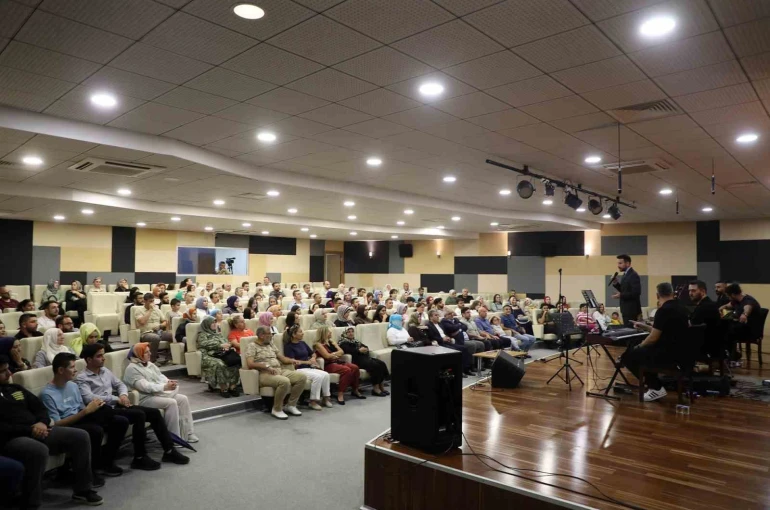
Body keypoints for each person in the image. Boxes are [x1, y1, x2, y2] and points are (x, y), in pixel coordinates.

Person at [0, 354, 103, 507]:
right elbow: (2, 427)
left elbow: (39, 407)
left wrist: (42, 422)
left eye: (8, 369)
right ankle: (31, 503)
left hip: (39, 429)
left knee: (81, 436)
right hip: (13, 437)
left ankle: (83, 490)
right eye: (3, 371)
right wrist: (30, 429)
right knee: (38, 450)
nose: (9, 374)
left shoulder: (14, 388)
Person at [76, 344, 189, 468]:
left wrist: (123, 395)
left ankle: (169, 450)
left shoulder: (105, 371)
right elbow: (88, 397)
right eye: (99, 356)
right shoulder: (82, 377)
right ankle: (140, 457)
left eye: (103, 355)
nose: (103, 358)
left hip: (116, 406)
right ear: (88, 360)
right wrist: (116, 399)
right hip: (102, 410)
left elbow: (120, 384)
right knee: (139, 415)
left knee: (154, 413)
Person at [41, 351, 129, 482]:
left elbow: (81, 407)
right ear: (60, 370)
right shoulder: (47, 394)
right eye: (72, 367)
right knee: (96, 429)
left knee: (120, 421)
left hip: (81, 417)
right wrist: (86, 412)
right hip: (68, 425)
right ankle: (90, 471)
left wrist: (91, 409)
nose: (75, 370)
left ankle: (106, 462)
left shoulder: (72, 385)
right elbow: (57, 424)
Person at [621, 282, 689, 402]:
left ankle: (656, 387)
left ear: (657, 295)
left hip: (668, 355)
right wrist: (644, 327)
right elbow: (664, 330)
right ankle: (655, 384)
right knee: (639, 352)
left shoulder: (663, 310)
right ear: (672, 293)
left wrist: (639, 347)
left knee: (629, 356)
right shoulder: (681, 308)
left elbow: (653, 338)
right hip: (682, 352)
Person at [123, 343, 198, 443]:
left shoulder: (149, 364)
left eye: (149, 351)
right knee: (171, 402)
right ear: (139, 354)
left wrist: (169, 382)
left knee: (183, 399)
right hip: (144, 398)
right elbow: (144, 386)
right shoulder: (132, 369)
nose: (150, 354)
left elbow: (160, 376)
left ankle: (188, 433)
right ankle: (173, 438)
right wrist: (164, 387)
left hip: (158, 394)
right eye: (146, 352)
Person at [246, 326, 307, 420]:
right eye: (269, 334)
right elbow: (250, 364)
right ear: (262, 335)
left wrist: (292, 360)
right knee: (284, 381)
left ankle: (291, 405)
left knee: (301, 377)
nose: (271, 335)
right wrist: (266, 366)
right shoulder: (252, 346)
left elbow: (282, 358)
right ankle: (277, 409)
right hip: (264, 374)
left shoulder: (270, 344)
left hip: (279, 370)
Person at [282, 326, 333, 410]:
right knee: (318, 377)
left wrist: (313, 358)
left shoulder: (303, 343)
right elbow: (292, 361)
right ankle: (313, 401)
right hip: (298, 369)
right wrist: (307, 362)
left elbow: (313, 353)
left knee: (326, 374)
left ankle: (326, 397)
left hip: (308, 368)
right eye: (300, 332)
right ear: (294, 335)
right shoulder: (288, 346)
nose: (303, 333)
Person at [315, 328, 365, 404]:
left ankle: (355, 390)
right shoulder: (318, 344)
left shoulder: (331, 342)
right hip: (328, 365)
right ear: (323, 333)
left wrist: (334, 353)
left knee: (355, 367)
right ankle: (340, 393)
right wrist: (335, 354)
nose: (330, 332)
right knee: (346, 370)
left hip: (337, 361)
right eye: (328, 332)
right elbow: (327, 356)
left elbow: (342, 351)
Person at [338, 325, 390, 396]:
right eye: (348, 332)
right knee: (375, 366)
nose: (351, 333)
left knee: (381, 363)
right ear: (345, 333)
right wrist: (359, 350)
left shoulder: (356, 341)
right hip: (356, 360)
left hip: (365, 358)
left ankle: (381, 386)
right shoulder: (343, 342)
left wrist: (365, 349)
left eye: (352, 331)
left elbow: (365, 347)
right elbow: (348, 350)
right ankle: (376, 388)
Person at [198, 316, 240, 398]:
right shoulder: (203, 335)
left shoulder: (218, 334)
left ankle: (232, 387)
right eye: (212, 323)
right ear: (207, 325)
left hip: (223, 354)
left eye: (215, 322)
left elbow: (227, 342)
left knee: (235, 361)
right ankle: (223, 388)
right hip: (210, 355)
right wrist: (219, 345)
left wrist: (228, 345)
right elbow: (203, 344)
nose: (214, 324)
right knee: (220, 364)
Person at [720, 283, 762, 362]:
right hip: (741, 328)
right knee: (723, 327)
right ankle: (732, 354)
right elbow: (727, 306)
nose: (728, 298)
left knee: (725, 331)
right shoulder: (736, 301)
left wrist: (744, 314)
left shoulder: (748, 300)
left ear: (732, 295)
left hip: (751, 331)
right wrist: (719, 309)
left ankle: (730, 356)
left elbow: (748, 307)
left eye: (728, 296)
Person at [425, 310, 474, 376]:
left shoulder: (440, 324)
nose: (438, 317)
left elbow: (445, 333)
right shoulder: (428, 325)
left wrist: (448, 337)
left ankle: (466, 369)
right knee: (456, 351)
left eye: (438, 315)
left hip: (447, 341)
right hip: (439, 343)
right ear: (430, 317)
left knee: (464, 348)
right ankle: (458, 371)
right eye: (435, 315)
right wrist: (442, 339)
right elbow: (432, 337)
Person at [688, 280, 722, 359]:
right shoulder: (708, 304)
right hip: (713, 345)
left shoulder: (704, 307)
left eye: (693, 291)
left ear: (702, 291)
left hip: (706, 347)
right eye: (689, 291)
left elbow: (691, 326)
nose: (690, 293)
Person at [133, 292, 171, 363]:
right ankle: (152, 360)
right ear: (145, 301)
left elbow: (165, 321)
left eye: (153, 301)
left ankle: (168, 358)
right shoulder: (138, 310)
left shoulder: (157, 310)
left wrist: (160, 325)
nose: (152, 303)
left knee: (173, 335)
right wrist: (150, 310)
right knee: (155, 338)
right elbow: (142, 322)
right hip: (146, 333)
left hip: (158, 331)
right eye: (150, 301)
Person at [611, 254, 642, 326]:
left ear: (627, 263)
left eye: (620, 263)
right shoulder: (625, 274)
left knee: (630, 332)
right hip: (626, 310)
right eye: (618, 263)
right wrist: (616, 283)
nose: (618, 265)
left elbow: (636, 293)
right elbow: (624, 290)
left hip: (631, 310)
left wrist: (621, 295)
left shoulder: (633, 275)